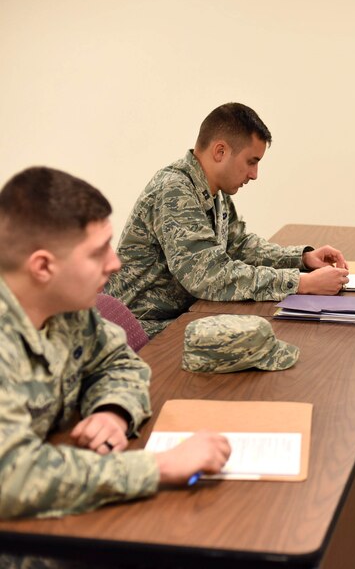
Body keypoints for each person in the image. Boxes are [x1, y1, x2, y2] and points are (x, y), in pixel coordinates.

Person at [0, 167, 231, 527]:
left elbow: (120, 363)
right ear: (43, 267)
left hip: (50, 519)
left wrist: (112, 410)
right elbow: (13, 479)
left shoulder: (66, 309)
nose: (115, 262)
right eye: (97, 252)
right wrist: (161, 466)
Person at [105, 102, 349, 337]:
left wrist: (302, 258)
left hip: (181, 315)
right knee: (262, 339)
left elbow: (239, 246)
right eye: (251, 162)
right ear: (220, 151)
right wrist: (300, 283)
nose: (254, 175)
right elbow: (207, 276)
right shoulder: (174, 190)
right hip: (142, 328)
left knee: (265, 335)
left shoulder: (212, 191)